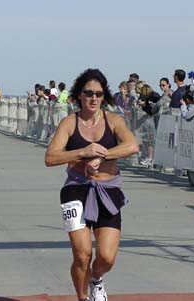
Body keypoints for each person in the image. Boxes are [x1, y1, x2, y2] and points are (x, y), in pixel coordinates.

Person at [45, 69, 139, 301]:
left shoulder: (113, 120)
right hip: (75, 191)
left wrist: (102, 156)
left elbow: (132, 146)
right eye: (88, 93)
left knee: (106, 258)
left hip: (108, 191)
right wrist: (83, 152)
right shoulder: (69, 123)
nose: (94, 98)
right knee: (82, 254)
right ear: (79, 95)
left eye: (98, 93)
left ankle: (96, 279)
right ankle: (82, 297)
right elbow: (51, 158)